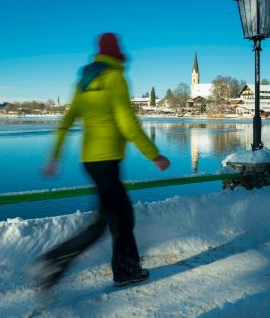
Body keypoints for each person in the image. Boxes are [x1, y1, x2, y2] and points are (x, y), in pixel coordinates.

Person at [33, 32, 171, 290]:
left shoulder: (83, 82)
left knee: (115, 217)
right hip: (107, 161)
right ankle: (56, 259)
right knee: (109, 220)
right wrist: (154, 154)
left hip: (90, 161)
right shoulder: (115, 77)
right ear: (116, 52)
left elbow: (65, 122)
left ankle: (121, 269)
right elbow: (127, 122)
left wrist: (54, 157)